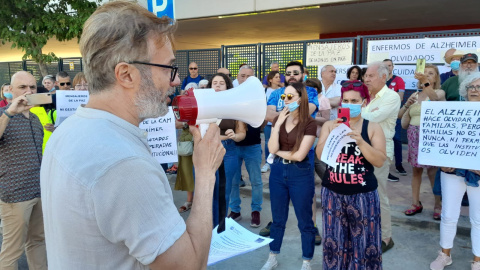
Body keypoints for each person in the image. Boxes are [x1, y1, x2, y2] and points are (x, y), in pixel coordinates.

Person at [40, 2, 225, 269]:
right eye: (168, 68)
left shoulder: (68, 130)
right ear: (126, 74)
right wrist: (206, 174)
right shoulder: (124, 164)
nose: (176, 81)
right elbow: (189, 265)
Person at [317, 80, 386, 270]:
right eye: (345, 100)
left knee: (365, 244)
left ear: (364, 102)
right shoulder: (330, 126)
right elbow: (320, 155)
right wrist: (335, 133)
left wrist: (361, 142)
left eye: (354, 100)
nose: (349, 104)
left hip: (363, 196)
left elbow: (380, 160)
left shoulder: (372, 127)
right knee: (334, 243)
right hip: (333, 193)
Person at [260, 82, 317, 270]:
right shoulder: (278, 118)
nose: (286, 100)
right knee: (278, 219)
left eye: (290, 96)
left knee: (305, 220)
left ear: (301, 99)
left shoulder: (309, 123)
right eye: (284, 97)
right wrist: (277, 126)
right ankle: (273, 256)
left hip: (300, 173)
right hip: (277, 172)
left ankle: (307, 260)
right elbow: (271, 148)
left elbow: (300, 155)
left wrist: (279, 153)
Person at [429, 72, 480, 270]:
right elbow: (438, 140)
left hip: (477, 173)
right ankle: (445, 254)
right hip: (451, 170)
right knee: (449, 214)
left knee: (478, 218)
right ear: (464, 90)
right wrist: (441, 161)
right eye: (471, 87)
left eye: (478, 87)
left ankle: (477, 259)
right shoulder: (451, 110)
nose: (475, 90)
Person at [0, 71, 47, 270]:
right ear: (10, 90)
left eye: (32, 87)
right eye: (22, 87)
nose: (28, 91)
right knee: (13, 250)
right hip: (15, 194)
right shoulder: (4, 115)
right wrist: (9, 112)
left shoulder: (36, 119)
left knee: (37, 242)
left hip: (38, 191)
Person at [362, 61, 401, 253]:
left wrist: (360, 112)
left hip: (379, 152)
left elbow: (369, 119)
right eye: (365, 76)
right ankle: (367, 232)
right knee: (363, 194)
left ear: (383, 77)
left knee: (379, 196)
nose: (366, 79)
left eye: (370, 76)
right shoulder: (367, 97)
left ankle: (386, 237)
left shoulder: (391, 97)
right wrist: (363, 111)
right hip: (360, 151)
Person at [399, 64, 445, 220]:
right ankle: (415, 203)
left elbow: (435, 100)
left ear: (436, 77)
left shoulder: (439, 92)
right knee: (416, 171)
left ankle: (438, 205)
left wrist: (425, 83)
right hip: (413, 135)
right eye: (424, 73)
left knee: (432, 172)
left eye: (430, 73)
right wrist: (407, 104)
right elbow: (401, 117)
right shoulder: (415, 95)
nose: (427, 76)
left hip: (430, 135)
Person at [207, 73, 246, 226]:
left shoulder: (235, 108)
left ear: (228, 87)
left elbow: (241, 133)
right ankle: (207, 225)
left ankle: (219, 226)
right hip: (208, 150)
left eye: (221, 83)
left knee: (225, 190)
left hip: (229, 152)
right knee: (207, 190)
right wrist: (223, 137)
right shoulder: (204, 105)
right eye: (214, 82)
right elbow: (199, 132)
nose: (217, 85)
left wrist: (235, 136)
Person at [228, 68, 264, 227]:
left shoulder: (259, 96)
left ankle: (256, 211)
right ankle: (235, 210)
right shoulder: (231, 96)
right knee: (233, 181)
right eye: (243, 76)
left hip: (253, 146)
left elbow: (263, 120)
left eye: (249, 76)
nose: (246, 79)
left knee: (256, 181)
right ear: (238, 78)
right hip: (233, 146)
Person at [383, 58, 407, 180]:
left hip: (394, 115)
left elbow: (400, 98)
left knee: (396, 139)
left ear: (393, 67)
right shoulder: (379, 79)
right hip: (381, 116)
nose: (388, 68)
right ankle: (383, 168)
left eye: (390, 65)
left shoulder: (399, 80)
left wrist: (383, 99)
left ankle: (399, 165)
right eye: (385, 66)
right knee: (381, 140)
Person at [262, 70, 282, 173]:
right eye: (276, 77)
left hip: (279, 122)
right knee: (267, 142)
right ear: (270, 80)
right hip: (268, 122)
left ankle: (277, 161)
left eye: (279, 77)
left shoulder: (282, 91)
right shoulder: (265, 91)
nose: (279, 79)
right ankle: (267, 162)